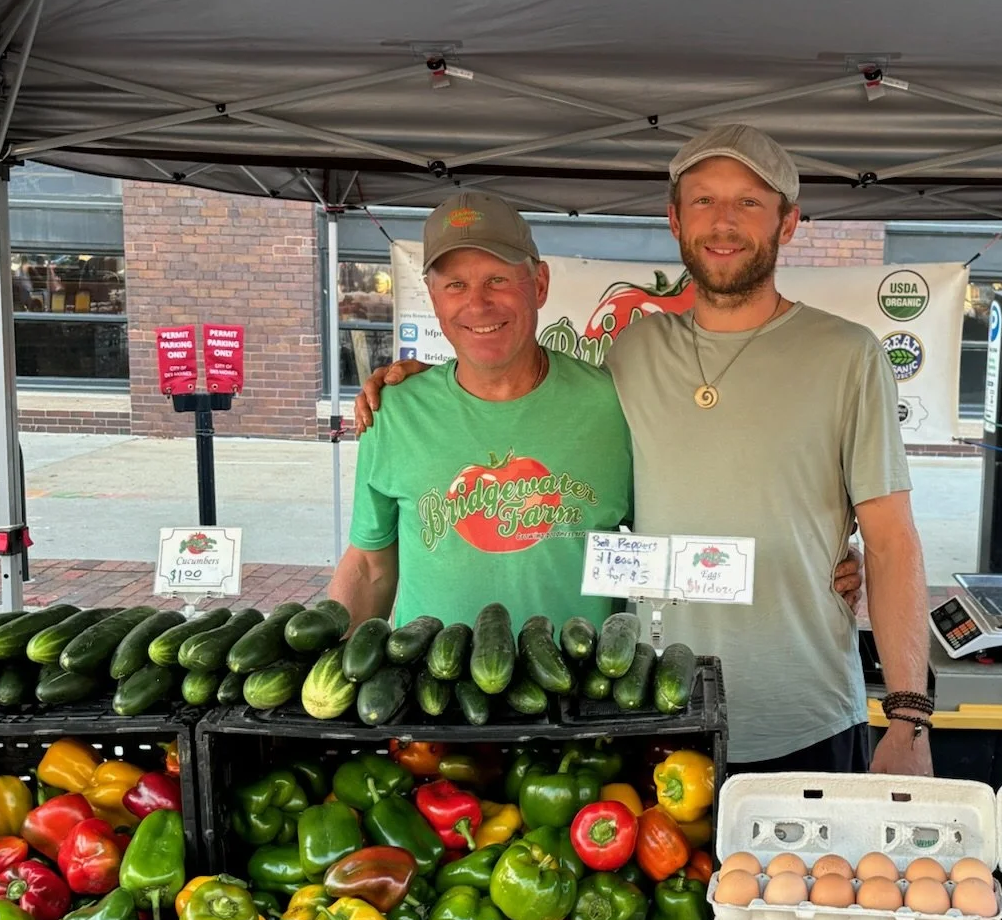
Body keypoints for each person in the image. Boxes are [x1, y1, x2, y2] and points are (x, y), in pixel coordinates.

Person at [354, 125, 935, 776]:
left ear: (789, 222)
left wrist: (909, 714)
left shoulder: (847, 355)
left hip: (806, 714)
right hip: (655, 707)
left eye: (748, 202)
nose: (723, 223)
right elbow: (530, 411)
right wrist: (409, 379)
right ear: (674, 221)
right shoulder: (632, 354)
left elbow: (892, 541)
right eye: (703, 202)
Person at [329, 192, 633, 632]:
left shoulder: (615, 404)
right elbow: (370, 565)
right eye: (455, 285)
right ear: (434, 298)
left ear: (540, 284)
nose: (477, 304)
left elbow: (665, 540)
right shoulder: (393, 410)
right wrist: (329, 670)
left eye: (497, 280)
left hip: (578, 692)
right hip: (428, 690)